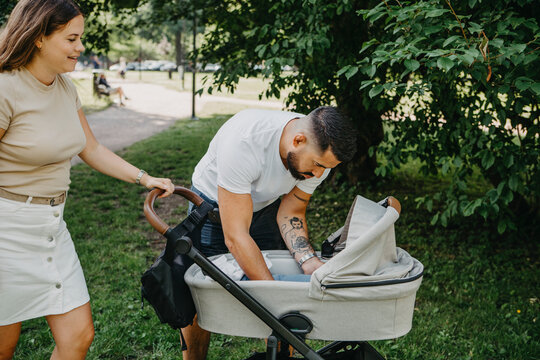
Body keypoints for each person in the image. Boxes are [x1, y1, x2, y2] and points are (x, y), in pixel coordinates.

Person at [0, 1, 175, 359]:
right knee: (4, 344)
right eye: (72, 38)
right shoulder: (6, 89)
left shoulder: (65, 88)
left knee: (78, 336)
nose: (81, 47)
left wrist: (144, 177)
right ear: (38, 38)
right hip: (7, 231)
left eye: (81, 38)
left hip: (51, 228)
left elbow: (90, 148)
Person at [184, 107, 360, 359]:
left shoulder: (320, 155)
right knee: (201, 296)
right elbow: (235, 236)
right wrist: (271, 298)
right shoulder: (244, 141)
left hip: (265, 204)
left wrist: (308, 261)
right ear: (298, 140)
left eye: (326, 168)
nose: (319, 174)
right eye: (318, 165)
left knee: (288, 301)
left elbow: (292, 211)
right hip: (212, 204)